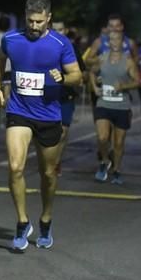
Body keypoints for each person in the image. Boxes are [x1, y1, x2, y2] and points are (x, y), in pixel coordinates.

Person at [0, 0, 81, 251]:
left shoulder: (60, 43)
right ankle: (22, 222)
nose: (33, 26)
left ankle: (46, 217)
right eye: (30, 21)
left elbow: (78, 76)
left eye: (39, 22)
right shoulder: (11, 39)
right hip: (19, 111)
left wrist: (63, 78)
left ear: (49, 19)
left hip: (48, 115)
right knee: (15, 166)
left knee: (49, 174)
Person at [90, 31, 140, 184]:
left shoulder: (128, 61)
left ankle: (117, 170)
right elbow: (92, 72)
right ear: (109, 42)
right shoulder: (102, 58)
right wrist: (94, 88)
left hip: (121, 106)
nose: (115, 43)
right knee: (102, 137)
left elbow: (137, 81)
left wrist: (124, 86)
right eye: (112, 40)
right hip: (103, 103)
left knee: (118, 143)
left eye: (118, 40)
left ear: (122, 43)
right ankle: (104, 162)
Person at [54, 29, 86, 176]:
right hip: (47, 96)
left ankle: (56, 163)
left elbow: (82, 71)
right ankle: (48, 159)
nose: (59, 32)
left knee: (63, 132)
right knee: (46, 133)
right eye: (56, 30)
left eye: (61, 30)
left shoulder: (71, 48)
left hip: (66, 96)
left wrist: (77, 79)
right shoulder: (43, 46)